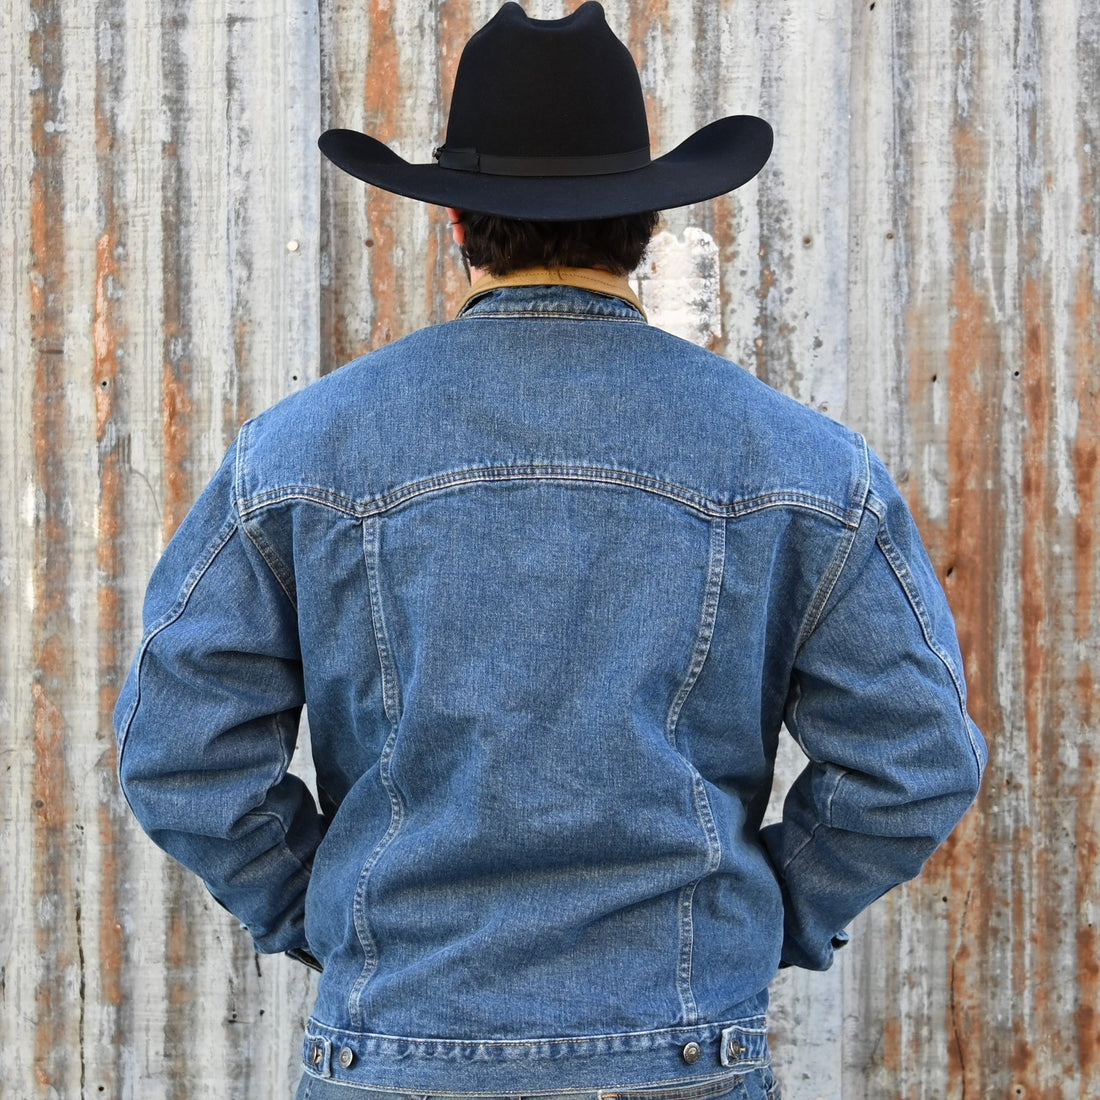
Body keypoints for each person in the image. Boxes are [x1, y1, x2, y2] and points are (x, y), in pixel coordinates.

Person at [114, 5, 986, 1099]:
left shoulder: (295, 455)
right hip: (678, 1053)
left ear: (457, 224)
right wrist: (753, 914)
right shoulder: (808, 466)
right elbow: (912, 764)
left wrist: (336, 912)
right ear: (645, 225)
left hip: (395, 1046)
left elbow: (178, 754)